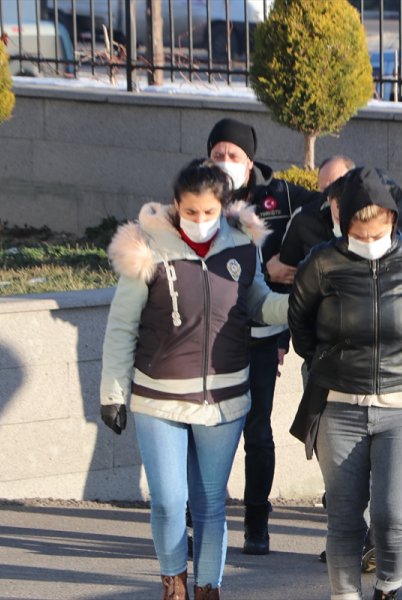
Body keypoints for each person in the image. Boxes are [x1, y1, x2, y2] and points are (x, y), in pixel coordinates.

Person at [99, 159, 290, 599]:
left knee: (210, 503)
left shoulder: (243, 243)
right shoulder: (146, 246)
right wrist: (113, 391)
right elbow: (122, 325)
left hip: (223, 398)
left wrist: (299, 305)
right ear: (176, 205)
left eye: (208, 212)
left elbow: (258, 304)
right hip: (158, 396)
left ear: (223, 208)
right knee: (168, 500)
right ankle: (174, 584)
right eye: (190, 211)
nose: (199, 221)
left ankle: (208, 588)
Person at [288, 166, 402, 600]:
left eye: (377, 230)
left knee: (393, 514)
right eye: (359, 230)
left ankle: (388, 588)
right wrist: (329, 361)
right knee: (343, 516)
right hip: (339, 406)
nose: (369, 239)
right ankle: (345, 595)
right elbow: (300, 324)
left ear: (393, 221)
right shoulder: (322, 261)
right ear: (343, 224)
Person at [206, 118, 320, 555]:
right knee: (207, 430)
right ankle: (198, 518)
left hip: (262, 331)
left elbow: (328, 214)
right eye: (218, 154)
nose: (226, 163)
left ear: (250, 161)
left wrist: (288, 270)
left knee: (257, 430)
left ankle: (257, 524)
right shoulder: (197, 194)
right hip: (213, 334)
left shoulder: (283, 195)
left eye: (234, 156)